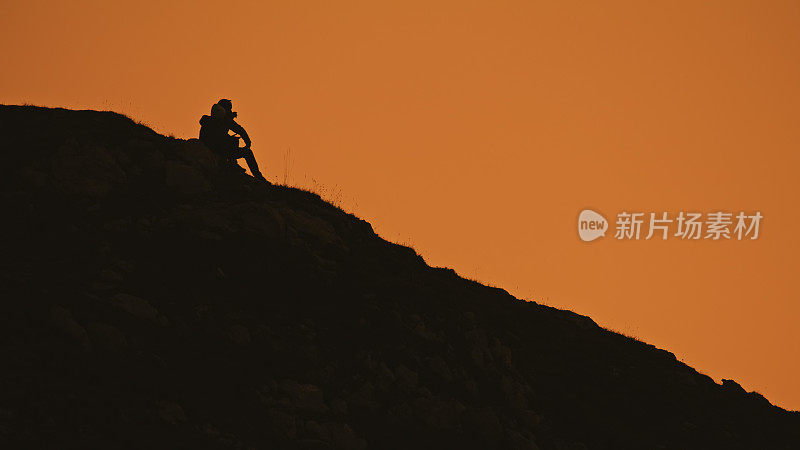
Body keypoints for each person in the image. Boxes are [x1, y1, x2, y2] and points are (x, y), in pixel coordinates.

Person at [199, 99, 268, 183]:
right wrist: (247, 142)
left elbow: (238, 130)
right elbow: (239, 130)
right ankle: (258, 177)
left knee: (232, 141)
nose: (230, 111)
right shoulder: (223, 121)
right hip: (218, 152)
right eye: (229, 109)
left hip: (213, 150)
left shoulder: (208, 121)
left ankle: (233, 166)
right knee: (247, 152)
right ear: (224, 110)